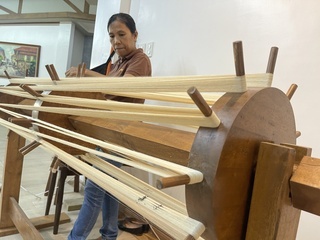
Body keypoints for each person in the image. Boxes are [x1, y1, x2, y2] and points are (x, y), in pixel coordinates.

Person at [66, 12, 152, 240]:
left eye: (122, 34)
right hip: (107, 132)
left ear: (135, 35)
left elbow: (119, 88)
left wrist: (85, 73)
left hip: (121, 135)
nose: (116, 41)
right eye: (112, 36)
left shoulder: (140, 61)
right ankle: (110, 234)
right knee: (108, 186)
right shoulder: (117, 64)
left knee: (94, 188)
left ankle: (75, 238)